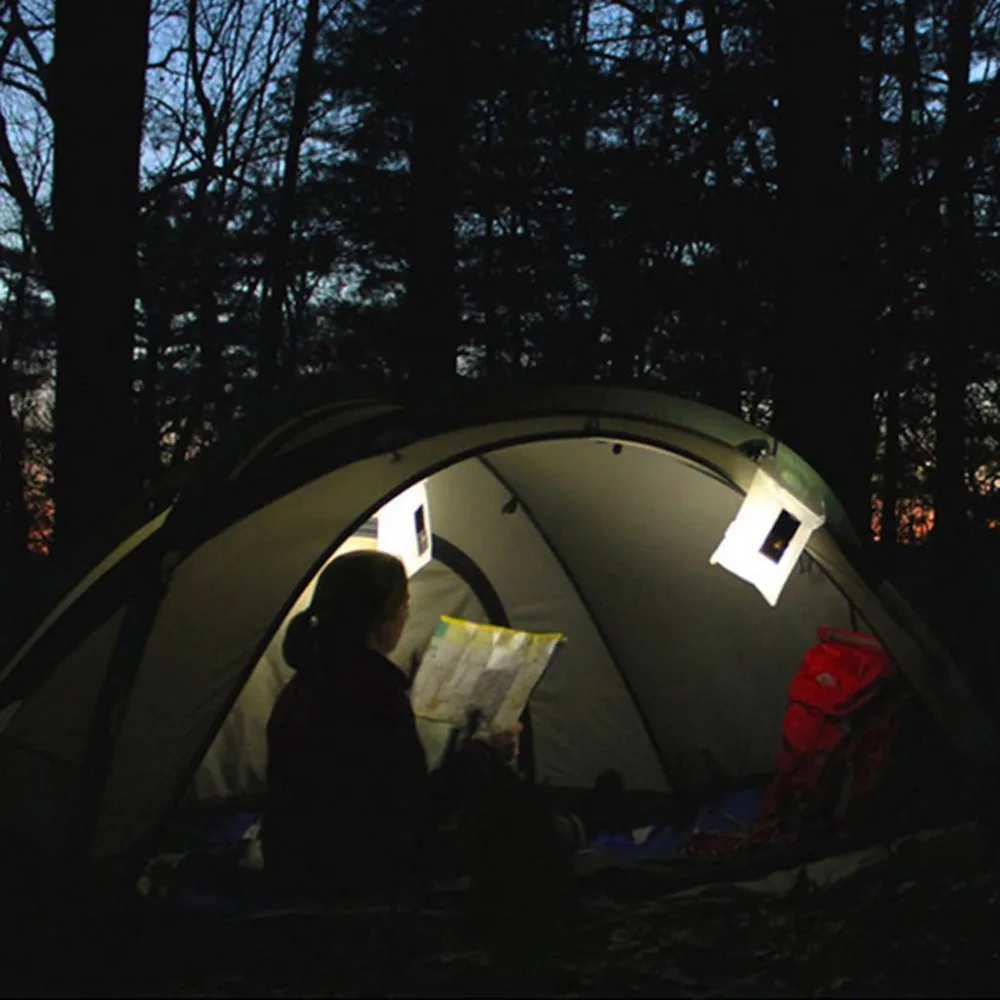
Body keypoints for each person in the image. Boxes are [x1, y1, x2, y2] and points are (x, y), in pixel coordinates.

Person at [261, 550, 521, 897]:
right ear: (381, 617)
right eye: (404, 604)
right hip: (362, 879)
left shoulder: (302, 684)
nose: (407, 615)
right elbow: (414, 812)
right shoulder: (374, 693)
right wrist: (485, 753)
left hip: (293, 869)